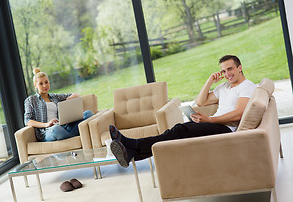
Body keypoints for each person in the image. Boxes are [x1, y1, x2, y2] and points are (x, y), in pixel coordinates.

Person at [109, 55, 257, 167]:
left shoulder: (247, 86)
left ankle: (132, 144)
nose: (227, 74)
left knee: (180, 129)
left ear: (240, 67)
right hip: (215, 124)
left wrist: (209, 119)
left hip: (226, 129)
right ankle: (132, 153)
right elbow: (201, 101)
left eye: (230, 69)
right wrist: (209, 81)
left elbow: (238, 114)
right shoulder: (224, 86)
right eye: (223, 71)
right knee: (176, 134)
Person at [24, 68, 93, 142]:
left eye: (46, 82)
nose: (45, 86)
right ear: (35, 85)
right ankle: (76, 140)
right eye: (41, 83)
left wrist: (70, 98)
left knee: (88, 113)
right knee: (55, 130)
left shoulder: (55, 97)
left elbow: (77, 95)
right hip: (48, 132)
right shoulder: (31, 100)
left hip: (63, 127)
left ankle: (68, 137)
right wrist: (47, 124)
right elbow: (28, 121)